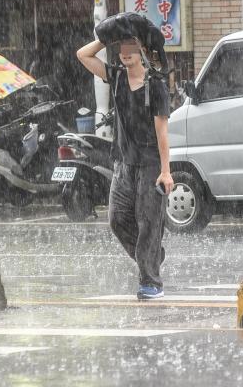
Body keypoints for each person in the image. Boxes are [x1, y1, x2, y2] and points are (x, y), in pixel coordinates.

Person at [76, 34, 173, 300]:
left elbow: (162, 132)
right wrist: (104, 39)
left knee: (149, 223)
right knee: (117, 219)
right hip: (123, 162)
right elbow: (83, 55)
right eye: (121, 48)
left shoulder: (156, 86)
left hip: (151, 164)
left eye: (132, 47)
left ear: (141, 51)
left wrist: (166, 171)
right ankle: (152, 256)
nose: (125, 53)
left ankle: (151, 282)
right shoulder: (116, 77)